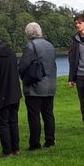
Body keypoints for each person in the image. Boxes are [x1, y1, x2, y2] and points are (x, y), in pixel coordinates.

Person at [19, 22, 57, 150]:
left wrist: (23, 77)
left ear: (28, 34)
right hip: (50, 85)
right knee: (48, 114)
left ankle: (35, 144)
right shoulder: (50, 45)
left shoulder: (30, 47)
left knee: (34, 116)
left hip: (35, 86)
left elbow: (23, 66)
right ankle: (50, 141)